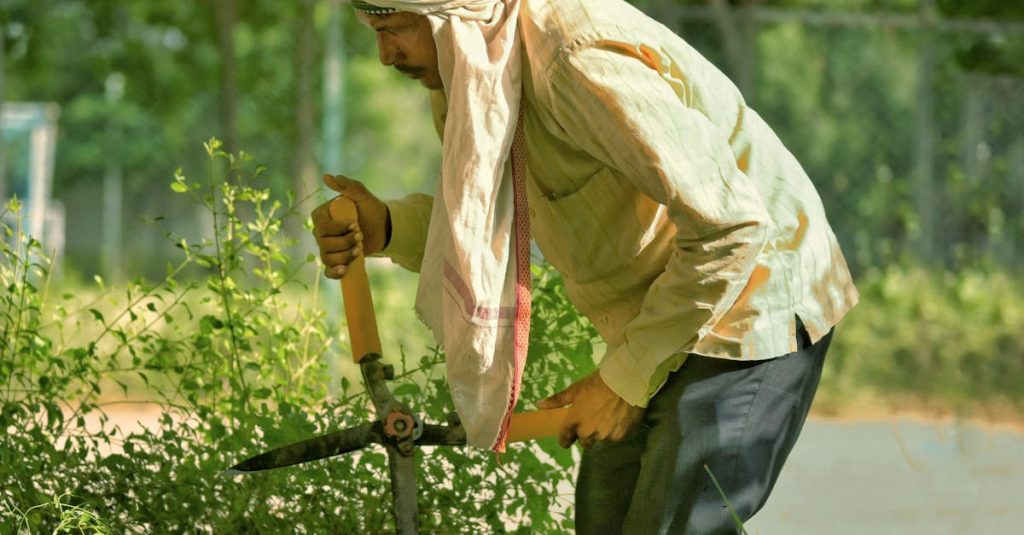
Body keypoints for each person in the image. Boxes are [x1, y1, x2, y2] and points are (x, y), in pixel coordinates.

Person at [311, 0, 859, 532]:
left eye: (396, 28)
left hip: (753, 291)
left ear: (459, 13)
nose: (385, 55)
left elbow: (731, 225)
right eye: (374, 31)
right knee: (605, 520)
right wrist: (385, 226)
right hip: (666, 310)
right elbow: (489, 218)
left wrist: (621, 383)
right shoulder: (470, 66)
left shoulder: (575, 60)